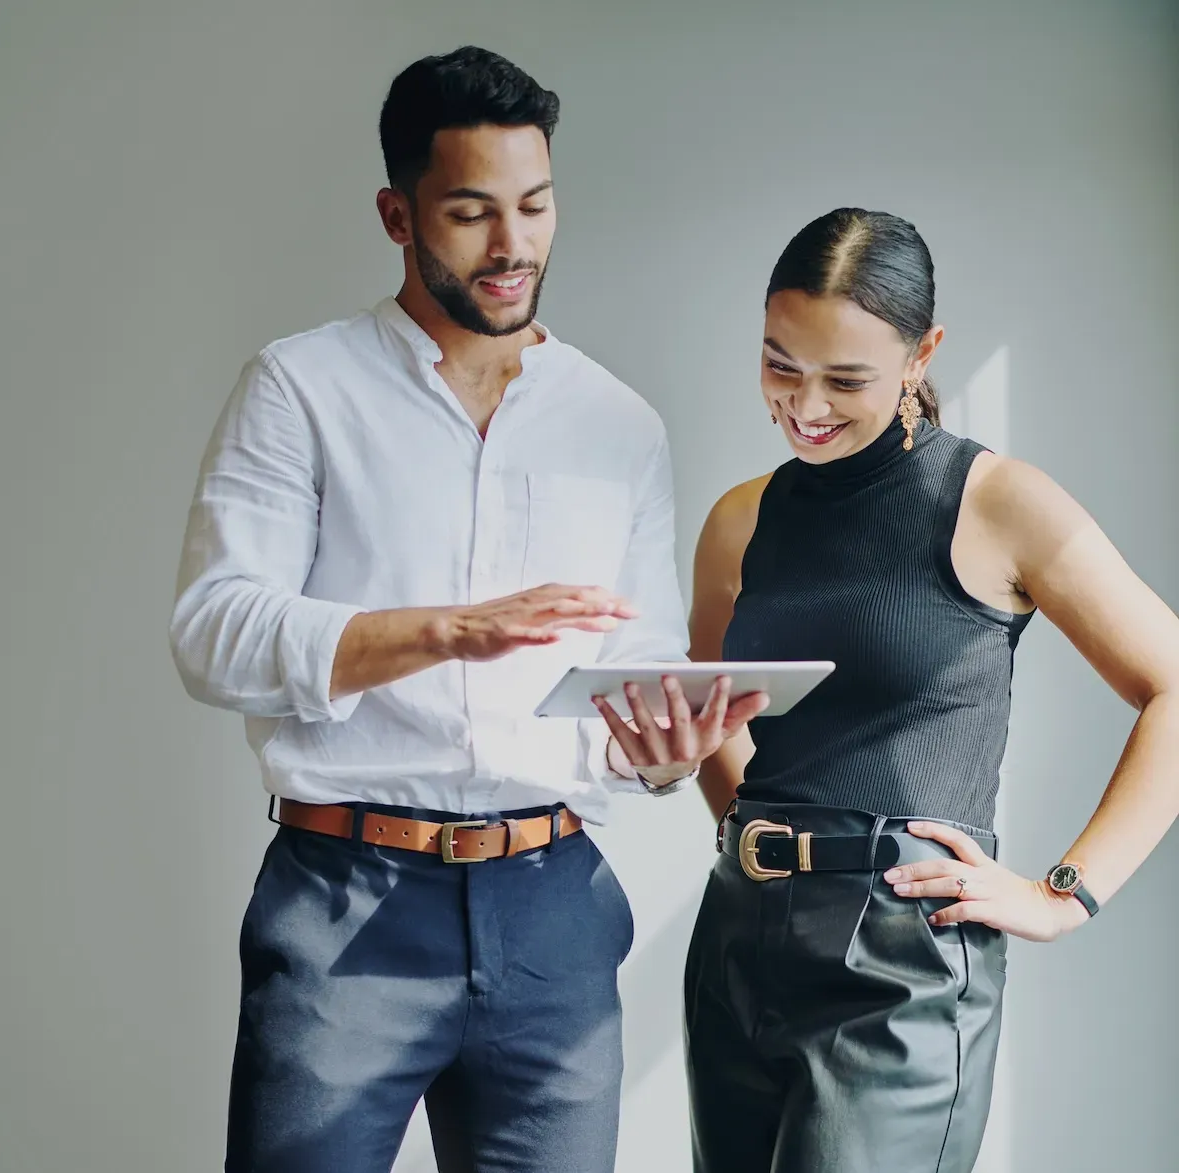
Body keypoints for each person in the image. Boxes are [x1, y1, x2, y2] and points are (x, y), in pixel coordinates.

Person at [170, 46, 764, 1173]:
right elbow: (212, 630)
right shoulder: (301, 390)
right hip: (347, 905)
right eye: (472, 212)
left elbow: (628, 675)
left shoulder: (619, 423)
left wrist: (666, 755)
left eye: (535, 206)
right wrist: (443, 629)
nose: (513, 247)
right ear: (397, 215)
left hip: (556, 909)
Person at [600, 207, 1179, 1172]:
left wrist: (1061, 896)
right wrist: (677, 771)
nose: (804, 405)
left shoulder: (999, 503)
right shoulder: (739, 520)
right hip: (740, 933)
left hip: (902, 956)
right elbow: (710, 724)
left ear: (923, 354)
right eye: (780, 365)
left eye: (846, 379)